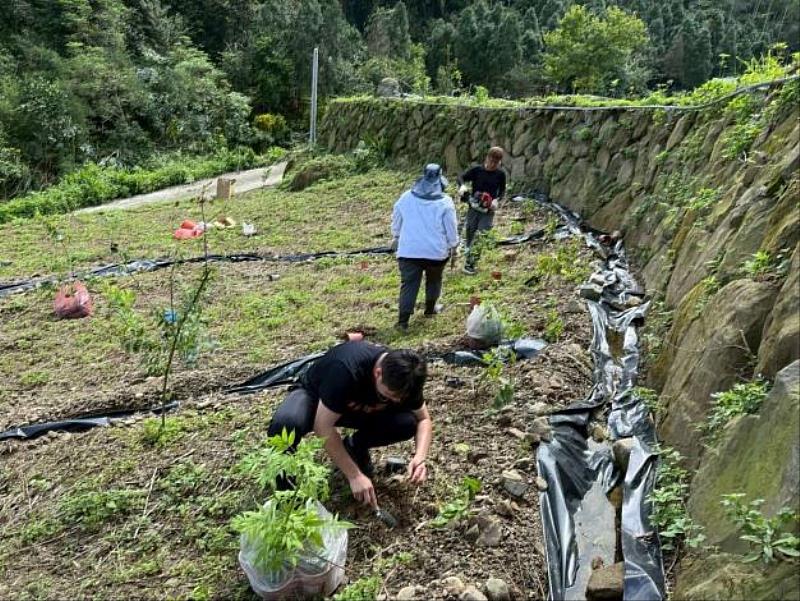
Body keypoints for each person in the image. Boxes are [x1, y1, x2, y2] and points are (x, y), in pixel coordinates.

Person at [267, 340, 432, 508]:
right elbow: (322, 427)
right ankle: (287, 494)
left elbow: (423, 419)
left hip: (355, 408)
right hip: (316, 398)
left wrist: (420, 458)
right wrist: (354, 475)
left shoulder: (407, 378)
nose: (396, 401)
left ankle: (354, 446)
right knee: (285, 425)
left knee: (407, 422)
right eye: (390, 395)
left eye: (401, 398)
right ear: (378, 373)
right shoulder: (345, 370)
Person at [391, 163, 459, 331]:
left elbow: (397, 217)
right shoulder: (445, 202)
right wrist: (454, 246)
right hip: (435, 253)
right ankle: (430, 309)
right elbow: (451, 228)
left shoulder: (406, 197)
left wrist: (396, 235)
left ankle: (403, 321)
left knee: (409, 284)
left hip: (409, 251)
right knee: (434, 279)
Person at [458, 147, 507, 275]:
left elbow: (502, 191)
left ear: (499, 162)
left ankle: (471, 264)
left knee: (482, 233)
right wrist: (462, 186)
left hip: (488, 210)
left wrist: (496, 200)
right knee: (470, 231)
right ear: (487, 158)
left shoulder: (500, 174)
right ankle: (468, 254)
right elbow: (461, 177)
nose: (493, 164)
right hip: (474, 207)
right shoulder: (477, 170)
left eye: (496, 162)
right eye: (491, 161)